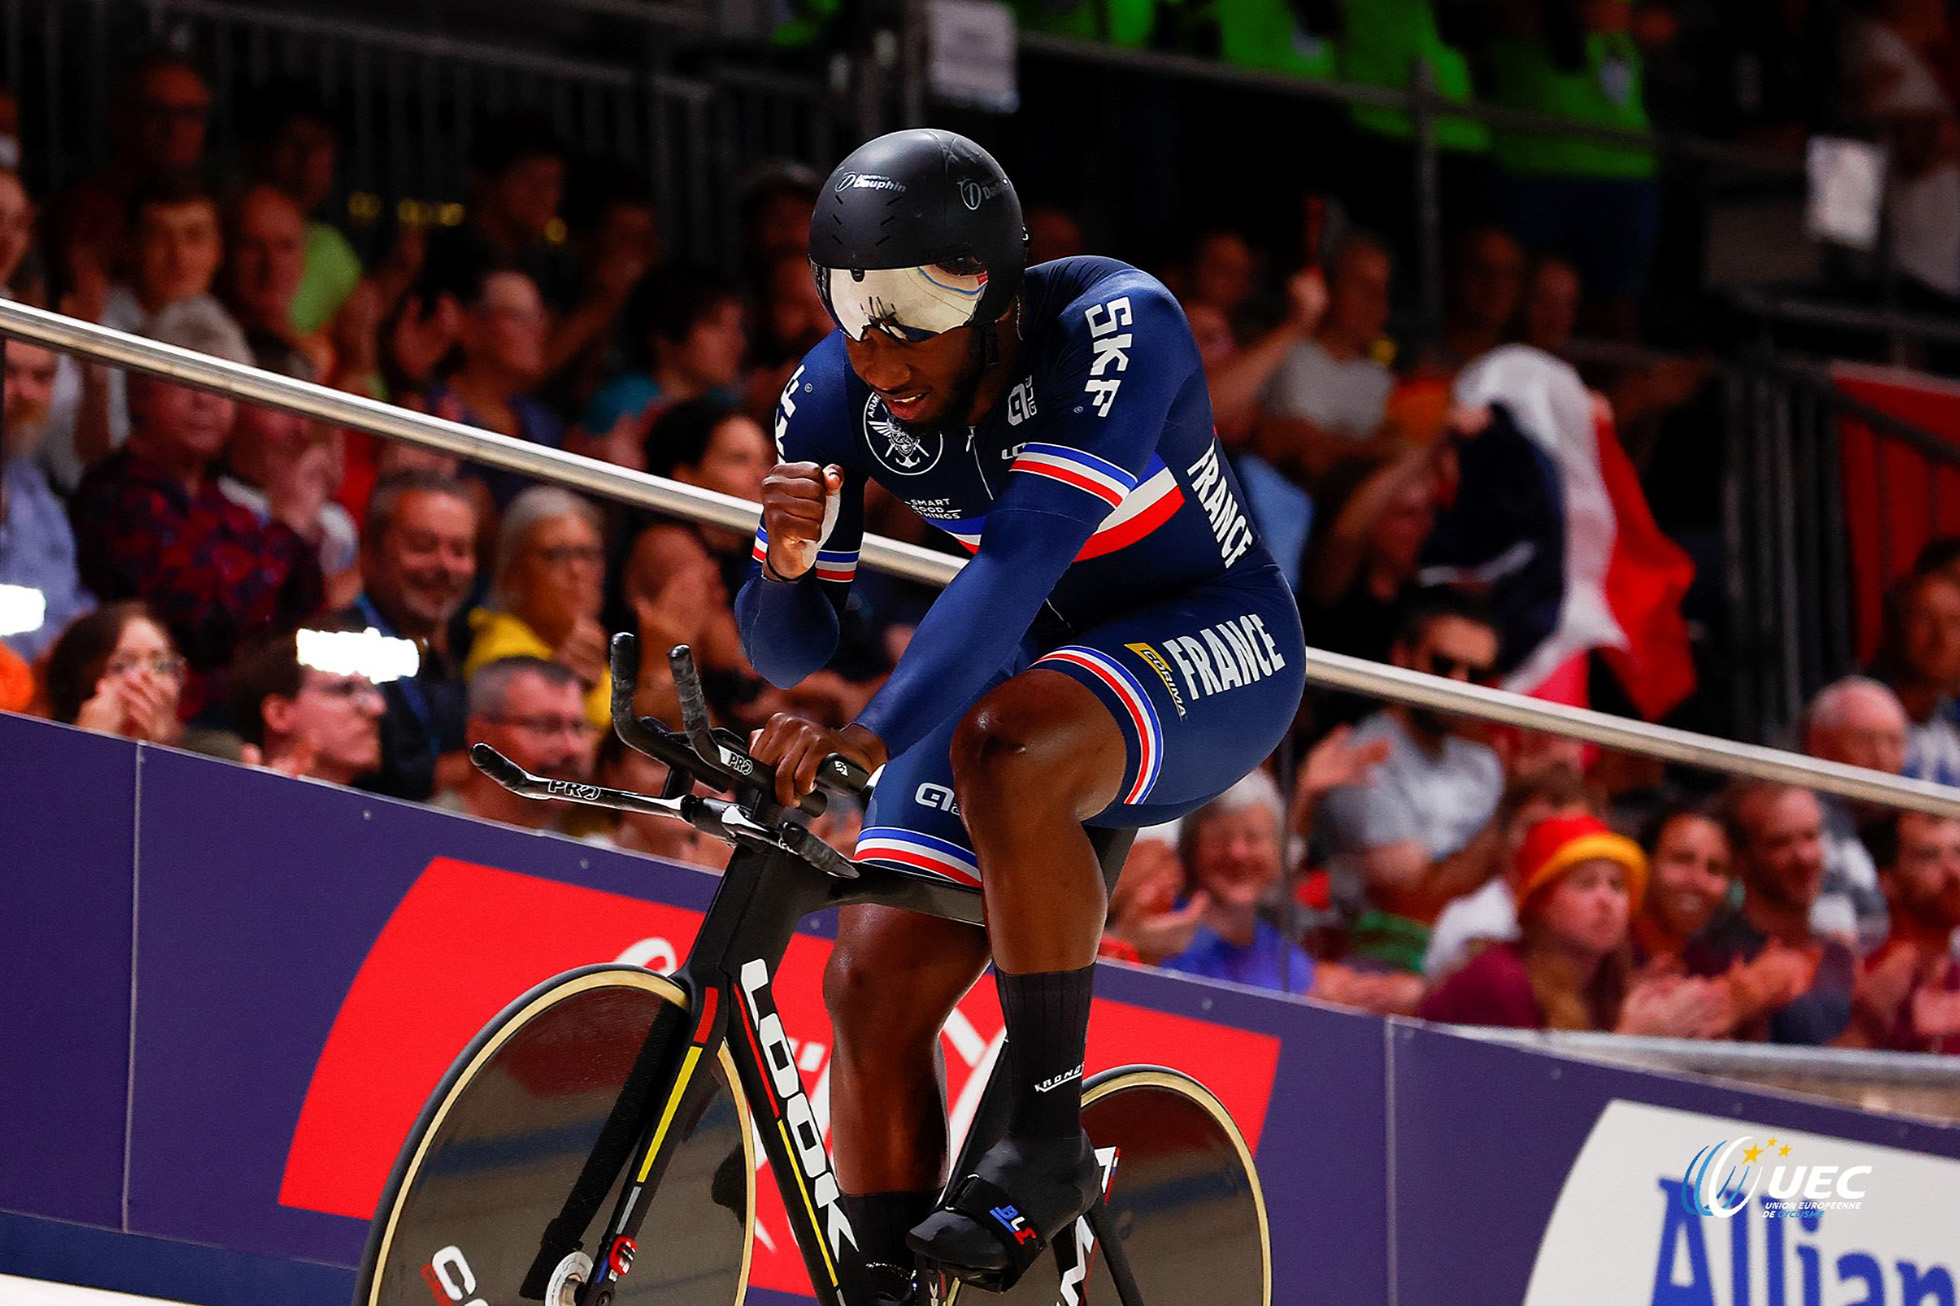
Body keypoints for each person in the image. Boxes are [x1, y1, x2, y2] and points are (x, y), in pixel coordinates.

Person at [736, 130, 1306, 1300]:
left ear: (990, 293)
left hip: (1211, 633)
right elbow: (787, 644)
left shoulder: (1114, 322)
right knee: (869, 985)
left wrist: (875, 732)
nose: (874, 347)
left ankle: (1045, 1135)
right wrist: (786, 564)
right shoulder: (834, 390)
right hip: (1043, 665)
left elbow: (1012, 568)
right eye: (849, 305)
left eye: (902, 312)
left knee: (1002, 741)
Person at [68, 300, 323, 720]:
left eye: (221, 384)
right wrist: (289, 526)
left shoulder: (224, 506)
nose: (206, 400)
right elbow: (202, 618)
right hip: (148, 711)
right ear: (141, 392)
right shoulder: (114, 495)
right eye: (187, 379)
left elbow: (298, 615)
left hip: (236, 714)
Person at [1314, 589, 1507, 968]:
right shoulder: (1361, 756)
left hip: (1476, 957)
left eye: (1477, 674)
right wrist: (1509, 822)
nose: (1460, 683)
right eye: (1443, 664)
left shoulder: (1484, 764)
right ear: (1403, 657)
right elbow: (1409, 905)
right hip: (1378, 961)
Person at [1420, 812, 1694, 1033]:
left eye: (1616, 885)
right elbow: (1540, 1097)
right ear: (1541, 905)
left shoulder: (1605, 986)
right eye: (1586, 884)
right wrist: (1633, 1041)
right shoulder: (1502, 979)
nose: (1607, 900)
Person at [1684, 782, 1857, 1045]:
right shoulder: (1711, 958)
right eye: (1780, 843)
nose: (1804, 857)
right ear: (1741, 860)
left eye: (1811, 836)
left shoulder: (1840, 957)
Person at [341, 472, 478, 801]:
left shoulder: (445, 659)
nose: (445, 565)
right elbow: (377, 782)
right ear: (370, 552)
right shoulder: (331, 648)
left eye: (459, 551)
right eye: (422, 546)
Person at [1421, 764, 1593, 979]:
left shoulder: (1600, 914)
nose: (1548, 843)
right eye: (1535, 828)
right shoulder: (1475, 922)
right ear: (1503, 836)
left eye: (1569, 832)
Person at [464, 487, 611, 731]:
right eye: (555, 555)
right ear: (514, 575)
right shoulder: (504, 661)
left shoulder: (579, 644)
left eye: (587, 554)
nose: (576, 570)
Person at [0, 338, 93, 661]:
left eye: (41, 378)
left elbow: (65, 605)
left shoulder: (35, 493)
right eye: (7, 372)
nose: (26, 394)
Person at [1802, 675, 1909, 952]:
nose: (1882, 759)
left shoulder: (1885, 826)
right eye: (1865, 741)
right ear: (1819, 743)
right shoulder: (1808, 824)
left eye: (1895, 742)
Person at [435, 655, 596, 831]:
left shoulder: (578, 852)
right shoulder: (424, 837)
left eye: (579, 727)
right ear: (481, 734)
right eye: (545, 727)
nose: (572, 748)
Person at [1846, 812, 1960, 1052]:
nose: (1954, 873)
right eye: (1929, 857)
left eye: (1959, 852)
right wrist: (1869, 1024)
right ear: (1886, 880)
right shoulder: (1854, 975)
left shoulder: (1954, 973)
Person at [227, 628, 385, 785]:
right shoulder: (225, 805)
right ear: (279, 713)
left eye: (369, 690)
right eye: (345, 690)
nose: (377, 707)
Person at [41, 601, 185, 745]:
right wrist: (91, 745)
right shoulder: (39, 755)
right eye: (121, 667)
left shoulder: (204, 752)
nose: (147, 676)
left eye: (162, 665)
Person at [1869, 569, 1960, 787]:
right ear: (1893, 627)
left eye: (1955, 622)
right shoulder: (1852, 710)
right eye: (1924, 619)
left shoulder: (1951, 722)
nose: (1942, 638)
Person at [1629, 800, 1735, 966]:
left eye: (1714, 869)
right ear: (1645, 862)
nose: (1698, 880)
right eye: (1681, 860)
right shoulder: (1599, 951)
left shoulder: (1711, 968)